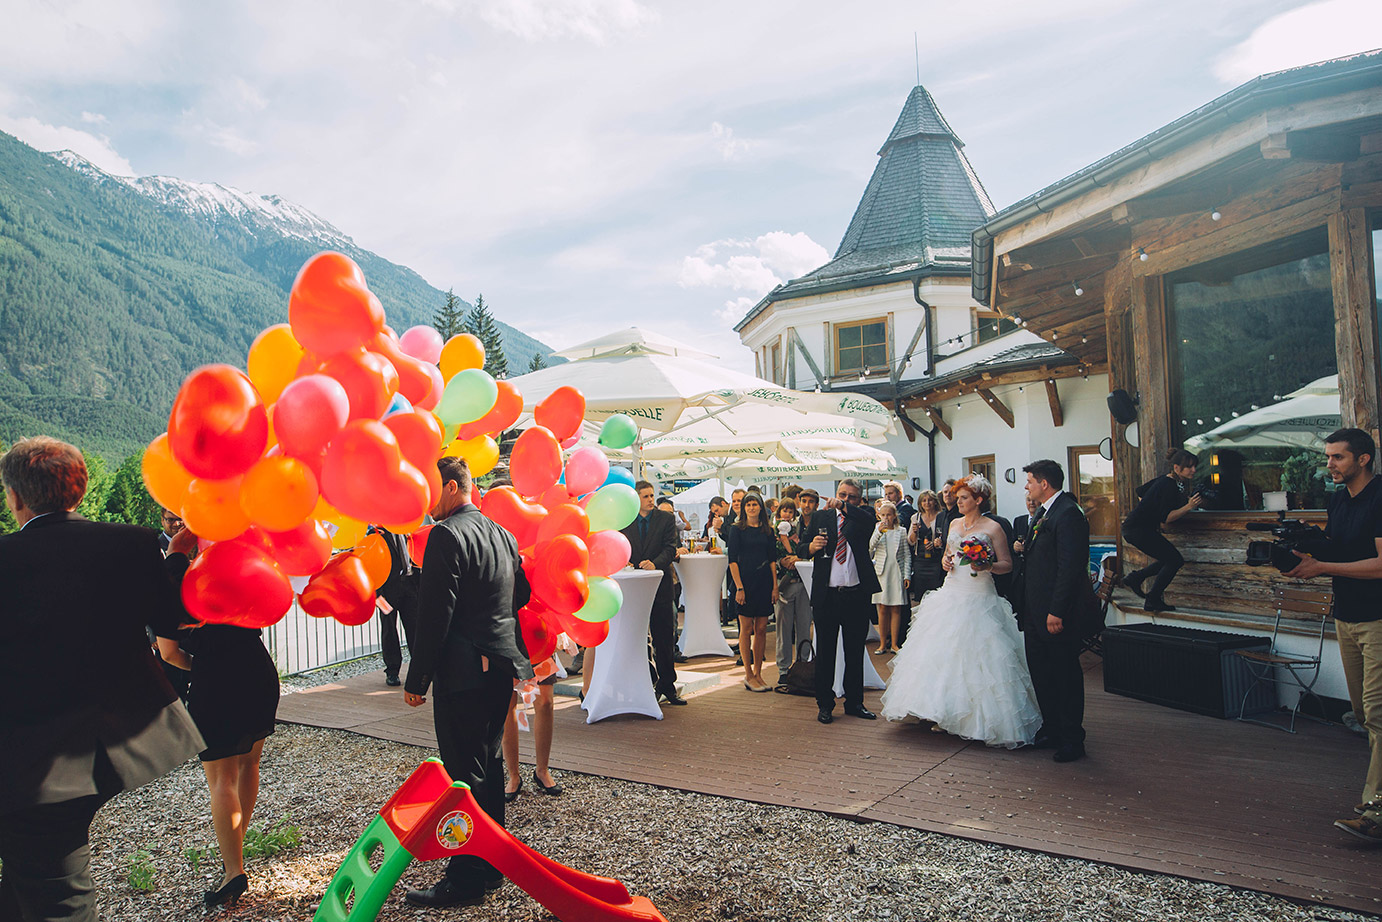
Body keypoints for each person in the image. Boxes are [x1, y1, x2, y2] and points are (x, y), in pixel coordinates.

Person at [0, 437, 204, 921]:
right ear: (81, 487)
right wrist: (176, 558)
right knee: (32, 873)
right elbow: (173, 621)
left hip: (34, 761)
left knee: (56, 892)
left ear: (15, 499)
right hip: (111, 741)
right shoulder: (131, 543)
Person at [403, 456, 534, 908]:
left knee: (462, 776)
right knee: (488, 766)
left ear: (455, 487)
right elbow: (524, 594)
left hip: (462, 672)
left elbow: (434, 615)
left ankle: (465, 880)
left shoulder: (445, 535)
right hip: (499, 666)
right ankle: (492, 864)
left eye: (431, 489)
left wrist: (417, 677)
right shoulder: (503, 534)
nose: (426, 502)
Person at [156, 532, 282, 908]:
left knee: (221, 779)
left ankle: (233, 870)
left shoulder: (177, 578)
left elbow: (170, 653)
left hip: (214, 679)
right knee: (250, 764)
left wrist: (206, 669)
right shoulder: (242, 566)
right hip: (258, 670)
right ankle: (236, 850)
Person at [880, 475, 1041, 748]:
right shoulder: (953, 523)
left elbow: (1007, 564)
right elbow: (949, 553)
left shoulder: (994, 527)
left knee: (978, 655)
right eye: (959, 497)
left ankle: (971, 717)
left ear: (978, 499)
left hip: (979, 594)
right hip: (951, 590)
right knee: (941, 652)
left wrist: (987, 565)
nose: (958, 501)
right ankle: (939, 711)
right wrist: (945, 560)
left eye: (964, 497)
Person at [1282, 428, 1382, 843]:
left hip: (1378, 618)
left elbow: (1380, 564)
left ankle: (1376, 811)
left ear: (1363, 459)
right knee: (1361, 715)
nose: (1329, 465)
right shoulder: (1338, 499)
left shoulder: (1380, 496)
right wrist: (1306, 553)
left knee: (1379, 715)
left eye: (1337, 457)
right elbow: (1339, 551)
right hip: (1347, 616)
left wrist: (1323, 568)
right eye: (1327, 457)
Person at [1014, 459, 1091, 763]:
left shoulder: (1068, 514)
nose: (1027, 486)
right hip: (1034, 610)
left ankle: (1073, 737)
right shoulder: (1043, 513)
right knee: (1042, 673)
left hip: (1055, 613)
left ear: (1044, 484)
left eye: (1030, 481)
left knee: (1065, 675)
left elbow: (1070, 567)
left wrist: (1057, 610)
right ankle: (1052, 728)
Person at [804, 478, 879, 724]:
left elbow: (868, 522)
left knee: (854, 651)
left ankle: (854, 702)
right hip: (828, 595)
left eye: (851, 496)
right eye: (841, 495)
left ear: (859, 500)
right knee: (826, 652)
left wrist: (845, 508)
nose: (844, 499)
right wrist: (812, 547)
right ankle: (824, 704)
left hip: (856, 594)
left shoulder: (862, 517)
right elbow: (802, 547)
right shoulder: (821, 518)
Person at [621, 481, 686, 706]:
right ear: (636, 498)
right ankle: (648, 682)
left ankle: (668, 685)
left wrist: (655, 564)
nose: (651, 499)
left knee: (664, 636)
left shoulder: (665, 519)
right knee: (638, 637)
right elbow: (621, 547)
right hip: (634, 588)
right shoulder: (625, 520)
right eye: (646, 496)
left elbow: (671, 548)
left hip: (660, 585)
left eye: (652, 495)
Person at [1121, 448, 1204, 613]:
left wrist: (1151, 506)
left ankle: (1136, 578)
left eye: (1194, 466)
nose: (1193, 470)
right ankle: (1152, 599)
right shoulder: (1168, 485)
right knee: (1174, 560)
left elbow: (1140, 492)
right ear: (1176, 468)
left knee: (1170, 559)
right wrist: (1188, 506)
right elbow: (1167, 517)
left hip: (1137, 528)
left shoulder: (1167, 480)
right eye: (1189, 467)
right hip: (1138, 529)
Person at [728, 492, 777, 692]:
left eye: (754, 504)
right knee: (746, 628)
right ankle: (748, 673)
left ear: (760, 507)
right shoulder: (736, 530)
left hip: (764, 580)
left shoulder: (768, 530)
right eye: (747, 504)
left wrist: (775, 586)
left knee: (762, 628)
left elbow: (773, 559)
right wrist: (739, 587)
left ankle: (758, 672)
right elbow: (732, 560)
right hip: (744, 582)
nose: (751, 508)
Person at [371, 525, 420, 686]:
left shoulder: (408, 530)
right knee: (389, 630)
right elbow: (371, 564)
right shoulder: (376, 534)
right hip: (386, 592)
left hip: (410, 588)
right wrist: (377, 595)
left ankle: (418, 670)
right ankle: (392, 671)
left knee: (415, 629)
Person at [773, 498, 812, 679]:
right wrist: (784, 561)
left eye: (790, 511)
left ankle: (803, 665)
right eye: (784, 510)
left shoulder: (800, 529)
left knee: (804, 627)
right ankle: (783, 669)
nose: (787, 514)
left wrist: (797, 558)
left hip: (803, 583)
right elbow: (772, 555)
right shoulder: (774, 531)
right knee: (783, 630)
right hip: (784, 585)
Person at [869, 501, 911, 655]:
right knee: (882, 609)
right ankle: (882, 644)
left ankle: (894, 644)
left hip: (896, 572)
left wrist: (907, 575)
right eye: (883, 515)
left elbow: (906, 555)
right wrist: (879, 531)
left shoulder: (902, 531)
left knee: (896, 608)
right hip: (882, 572)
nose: (886, 517)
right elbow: (870, 548)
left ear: (894, 516)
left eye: (889, 514)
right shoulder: (877, 528)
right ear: (879, 515)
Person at [908, 490, 946, 604]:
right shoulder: (916, 517)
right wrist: (914, 532)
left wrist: (937, 543)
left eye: (930, 500)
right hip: (920, 559)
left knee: (936, 591)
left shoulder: (941, 516)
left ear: (935, 502)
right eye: (924, 500)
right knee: (921, 591)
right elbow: (910, 541)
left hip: (936, 559)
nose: (927, 503)